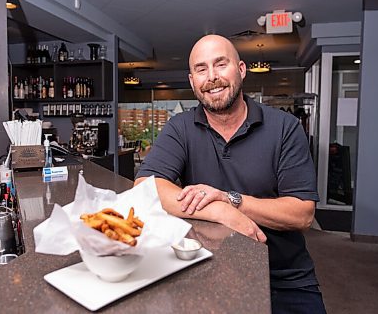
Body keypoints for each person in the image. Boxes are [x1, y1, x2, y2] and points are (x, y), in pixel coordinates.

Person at [134, 34, 326, 314]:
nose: (212, 77)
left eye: (220, 64)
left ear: (241, 70)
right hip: (205, 270)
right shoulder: (180, 128)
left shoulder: (285, 128)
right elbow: (146, 187)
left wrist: (231, 200)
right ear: (192, 81)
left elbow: (302, 214)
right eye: (201, 69)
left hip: (283, 278)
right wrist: (220, 212)